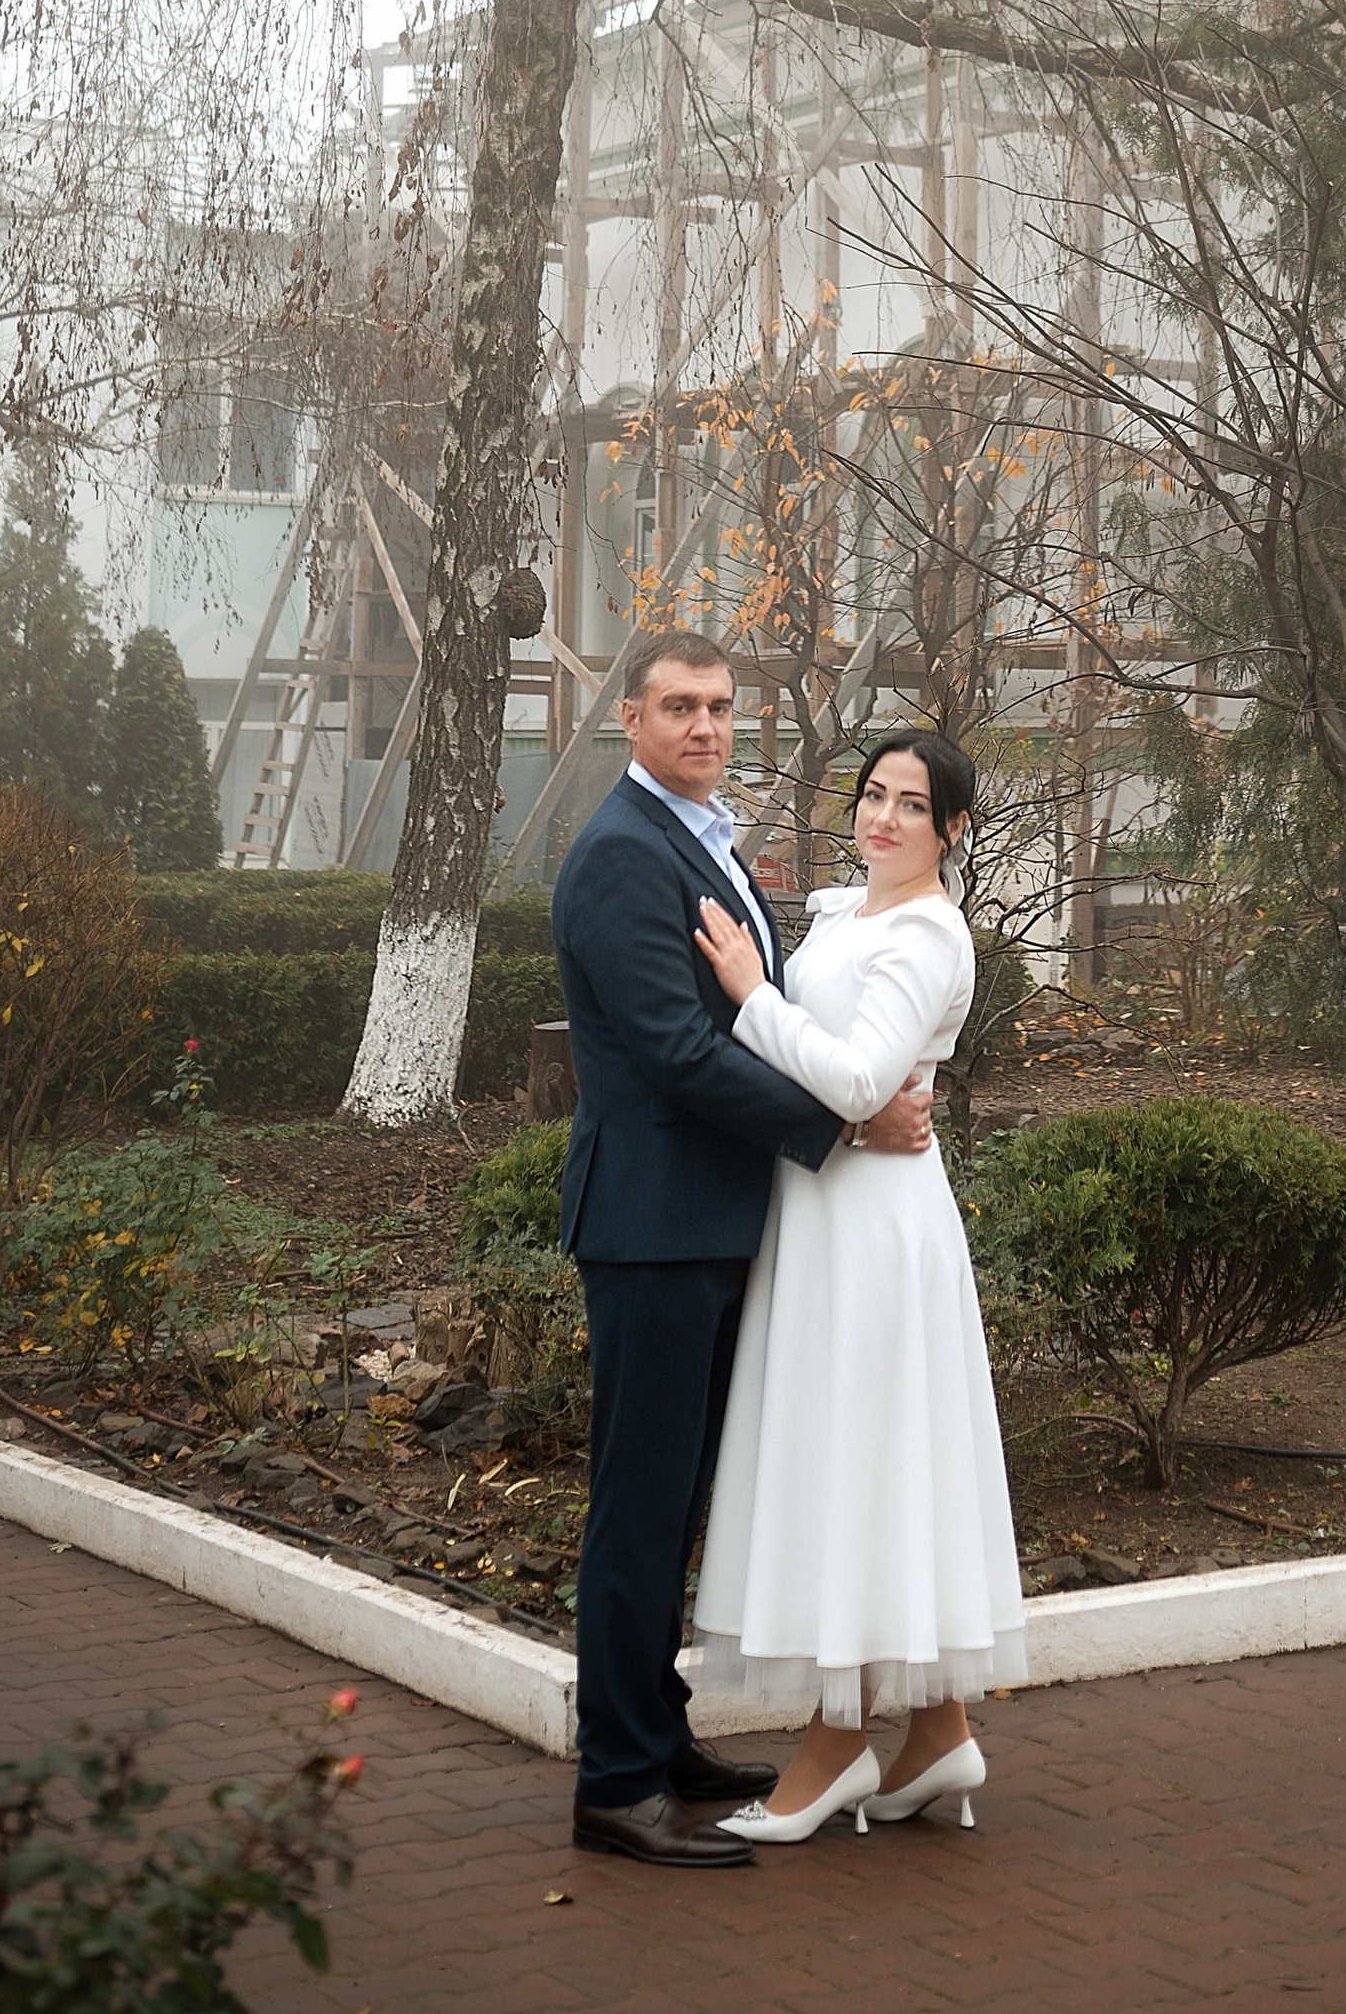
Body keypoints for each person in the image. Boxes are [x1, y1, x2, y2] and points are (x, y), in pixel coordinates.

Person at [550, 631, 937, 1870]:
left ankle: (659, 1744)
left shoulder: (698, 834)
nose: (705, 727)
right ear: (630, 719)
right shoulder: (622, 853)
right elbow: (675, 1048)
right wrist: (845, 1120)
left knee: (672, 1508)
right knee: (638, 1508)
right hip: (654, 1226)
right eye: (679, 707)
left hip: (709, 1221)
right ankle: (614, 1782)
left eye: (719, 708)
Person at [687, 727, 1026, 1844]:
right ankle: (936, 1733)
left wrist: (745, 990)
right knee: (874, 1461)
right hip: (828, 1208)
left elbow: (856, 1077)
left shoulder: (927, 933)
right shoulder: (855, 912)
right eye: (872, 794)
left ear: (952, 829)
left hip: (874, 1228)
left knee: (861, 1461)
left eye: (911, 805)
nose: (881, 817)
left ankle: (836, 1746)